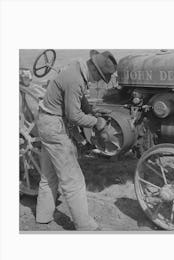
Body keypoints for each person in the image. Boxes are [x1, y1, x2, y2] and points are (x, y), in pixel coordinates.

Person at [35, 50, 117, 230]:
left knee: (48, 175)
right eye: (100, 78)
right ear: (95, 71)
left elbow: (79, 100)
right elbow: (73, 116)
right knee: (73, 180)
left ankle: (43, 216)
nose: (97, 81)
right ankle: (84, 225)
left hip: (46, 122)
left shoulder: (75, 69)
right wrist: (97, 121)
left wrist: (90, 111)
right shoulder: (76, 80)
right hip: (55, 128)